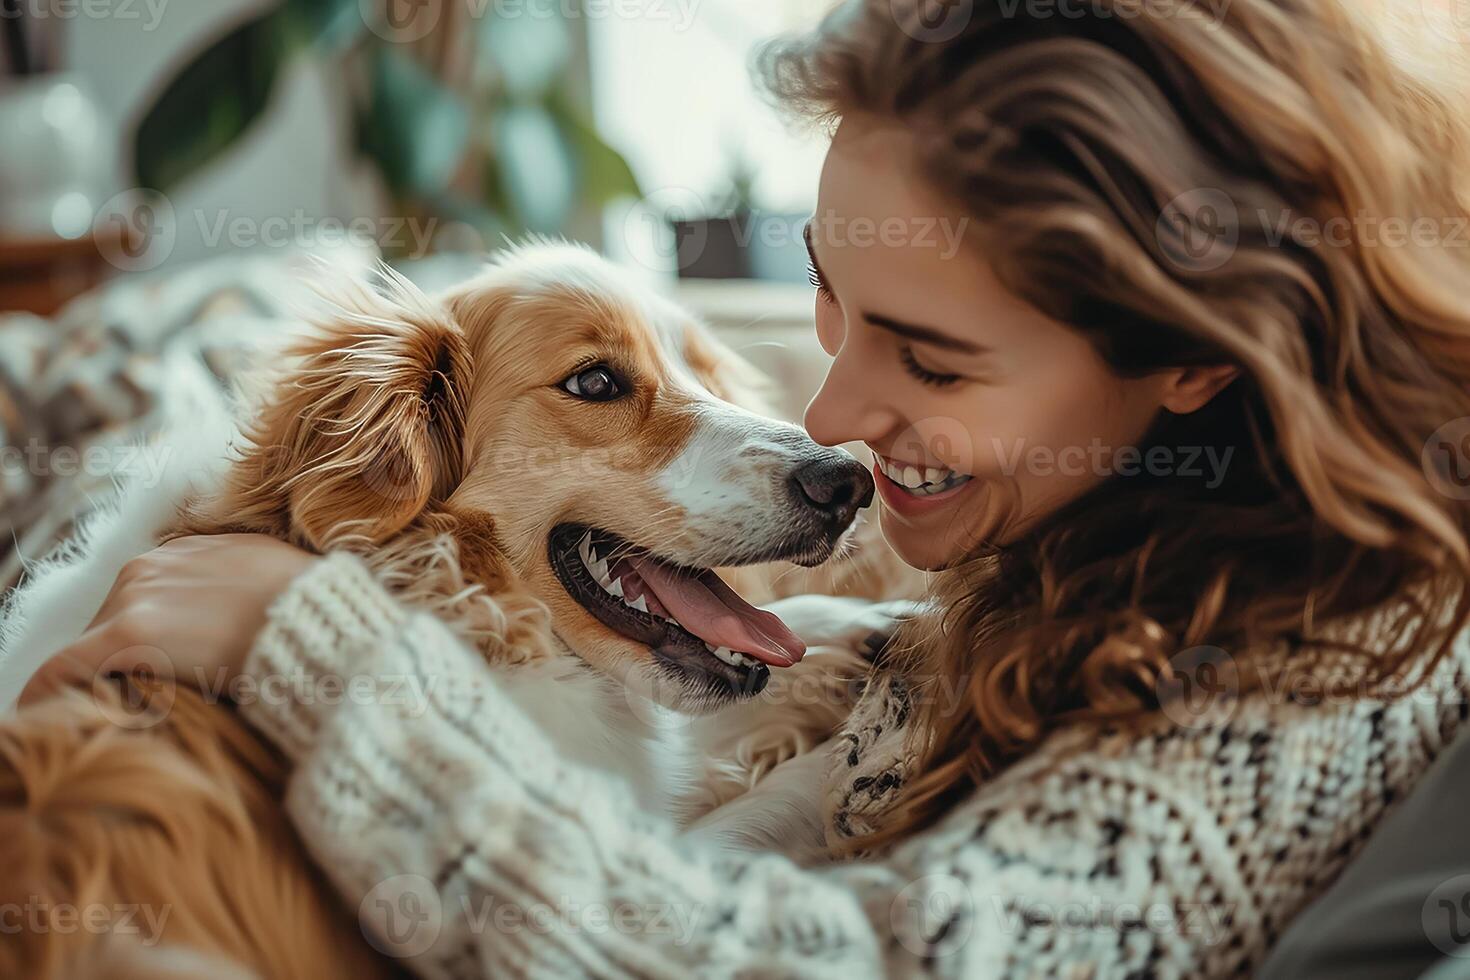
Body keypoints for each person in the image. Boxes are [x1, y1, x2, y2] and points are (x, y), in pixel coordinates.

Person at [24, 0, 1470, 973]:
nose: (830, 416)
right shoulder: (1106, 546)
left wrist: (309, 652)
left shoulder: (1328, 682)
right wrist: (857, 657)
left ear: (1193, 360)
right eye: (832, 299)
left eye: (930, 355)